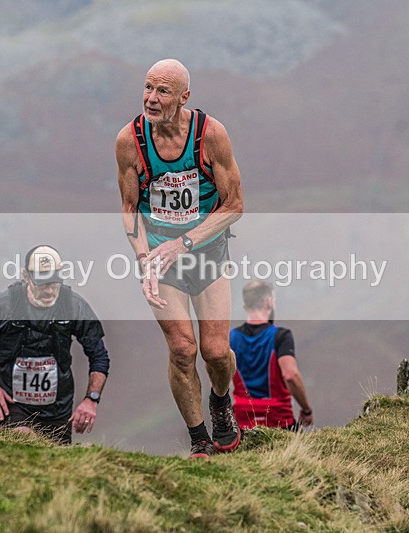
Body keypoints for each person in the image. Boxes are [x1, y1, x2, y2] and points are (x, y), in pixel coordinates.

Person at [116, 59, 244, 458]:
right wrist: (144, 258)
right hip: (159, 258)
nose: (151, 99)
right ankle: (198, 438)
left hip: (206, 253)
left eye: (163, 91)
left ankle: (221, 402)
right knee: (183, 348)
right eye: (148, 88)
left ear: (184, 97)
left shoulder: (210, 135)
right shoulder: (129, 141)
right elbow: (129, 207)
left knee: (216, 352)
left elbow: (235, 205)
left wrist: (184, 243)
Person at [0, 245, 110, 445]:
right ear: (26, 276)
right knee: (23, 440)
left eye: (55, 283)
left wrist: (91, 400)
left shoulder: (74, 306)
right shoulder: (3, 305)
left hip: (57, 408)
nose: (50, 290)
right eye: (43, 283)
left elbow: (99, 356)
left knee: (56, 464)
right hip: (12, 404)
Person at [230, 281, 313, 430]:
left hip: (243, 420)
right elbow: (291, 375)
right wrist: (306, 410)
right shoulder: (281, 336)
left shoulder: (230, 338)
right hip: (279, 419)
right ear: (269, 302)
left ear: (245, 307)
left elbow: (215, 381)